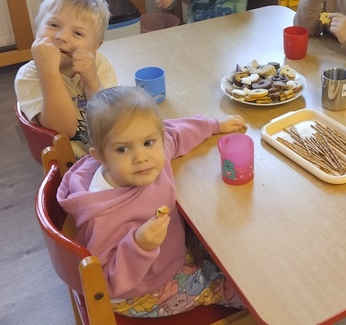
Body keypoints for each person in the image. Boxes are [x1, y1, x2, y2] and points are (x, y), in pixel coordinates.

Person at [57, 86, 247, 317]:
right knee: (238, 287)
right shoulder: (103, 214)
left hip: (169, 254)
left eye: (148, 143)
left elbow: (174, 134)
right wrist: (138, 246)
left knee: (229, 251)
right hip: (141, 292)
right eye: (122, 149)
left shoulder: (153, 154)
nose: (141, 157)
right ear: (100, 157)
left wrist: (214, 125)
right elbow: (105, 281)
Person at [15, 0, 117, 158]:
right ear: (37, 30)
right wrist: (48, 72)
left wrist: (92, 82)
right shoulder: (29, 76)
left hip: (108, 153)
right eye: (54, 25)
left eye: (78, 33)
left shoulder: (98, 64)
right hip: (72, 165)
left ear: (94, 47)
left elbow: (111, 120)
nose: (61, 36)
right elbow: (64, 130)